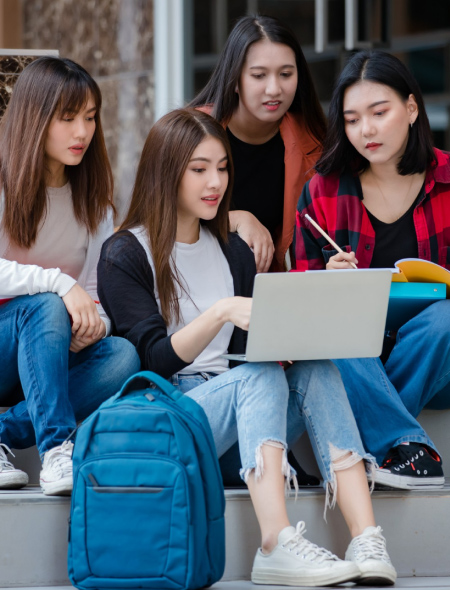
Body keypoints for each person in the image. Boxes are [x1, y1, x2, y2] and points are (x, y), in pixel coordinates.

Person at [98, 108, 396, 586]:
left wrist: (322, 290)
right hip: (174, 417)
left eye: (221, 167)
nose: (214, 181)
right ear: (165, 170)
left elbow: (258, 340)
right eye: (199, 169)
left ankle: (366, 536)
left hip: (241, 419)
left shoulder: (233, 251)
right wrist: (220, 311)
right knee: (257, 376)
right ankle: (276, 542)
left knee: (316, 368)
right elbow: (151, 359)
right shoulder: (125, 253)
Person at [294, 49, 447, 491]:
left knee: (445, 319)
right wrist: (330, 283)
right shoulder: (322, 191)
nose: (367, 130)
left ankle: (378, 437)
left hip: (437, 359)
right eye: (353, 119)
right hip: (353, 360)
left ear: (412, 108)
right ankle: (407, 449)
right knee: (333, 325)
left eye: (379, 113)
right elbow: (303, 311)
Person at [0, 57, 140, 495]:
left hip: (49, 353)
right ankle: (58, 445)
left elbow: (96, 291)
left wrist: (93, 324)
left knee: (122, 357)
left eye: (90, 117)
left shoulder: (93, 202)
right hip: (5, 346)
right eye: (67, 118)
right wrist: (60, 285)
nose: (82, 132)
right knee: (43, 305)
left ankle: (3, 432)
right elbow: (62, 288)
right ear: (35, 117)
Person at [190, 15, 326, 273]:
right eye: (259, 75)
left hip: (273, 292)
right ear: (235, 79)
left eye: (286, 74)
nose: (274, 89)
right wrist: (236, 219)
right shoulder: (189, 134)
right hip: (192, 284)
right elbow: (158, 215)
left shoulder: (314, 145)